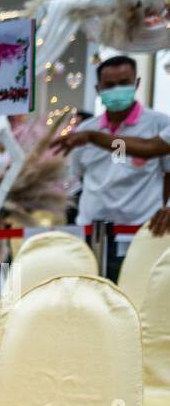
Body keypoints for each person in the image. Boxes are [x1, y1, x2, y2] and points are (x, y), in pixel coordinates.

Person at [50, 55, 170, 274]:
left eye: (124, 83)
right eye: (110, 85)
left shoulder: (159, 124)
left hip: (140, 232)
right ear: (98, 88)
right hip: (92, 233)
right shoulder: (85, 129)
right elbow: (78, 177)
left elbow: (162, 164)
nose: (117, 90)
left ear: (137, 83)